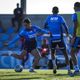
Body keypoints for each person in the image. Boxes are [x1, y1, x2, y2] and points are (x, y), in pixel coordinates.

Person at [44, 6, 73, 76]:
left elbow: (45, 26)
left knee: (53, 53)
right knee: (65, 54)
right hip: (60, 38)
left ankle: (54, 66)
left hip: (52, 38)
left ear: (52, 11)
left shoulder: (48, 18)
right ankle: (69, 69)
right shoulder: (60, 17)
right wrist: (67, 34)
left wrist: (49, 31)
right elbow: (65, 26)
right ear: (58, 11)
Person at [70, 2, 80, 75]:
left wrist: (73, 37)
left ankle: (76, 69)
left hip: (78, 36)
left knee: (72, 52)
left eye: (74, 6)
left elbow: (75, 25)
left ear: (76, 7)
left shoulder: (75, 14)